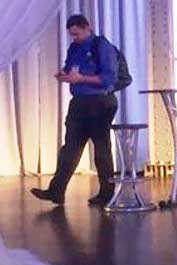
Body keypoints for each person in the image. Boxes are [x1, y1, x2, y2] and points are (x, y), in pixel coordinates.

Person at [31, 15, 120, 207]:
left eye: (77, 34)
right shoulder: (74, 48)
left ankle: (107, 193)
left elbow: (109, 78)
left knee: (101, 149)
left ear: (87, 27)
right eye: (72, 35)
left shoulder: (101, 46)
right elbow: (70, 68)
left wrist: (81, 79)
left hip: (100, 101)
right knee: (70, 149)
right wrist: (64, 75)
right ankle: (56, 191)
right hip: (79, 102)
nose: (75, 38)